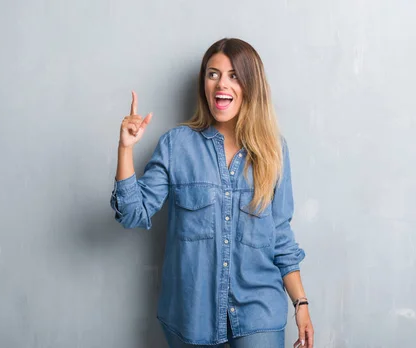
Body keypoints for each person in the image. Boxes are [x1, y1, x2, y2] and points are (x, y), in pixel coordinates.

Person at [109, 38, 314, 348]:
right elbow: (133, 215)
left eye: (234, 75)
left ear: (250, 85)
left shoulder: (274, 151)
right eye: (213, 73)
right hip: (192, 315)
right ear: (203, 83)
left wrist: (301, 304)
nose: (222, 83)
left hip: (259, 311)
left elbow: (281, 235)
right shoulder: (176, 145)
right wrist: (125, 149)